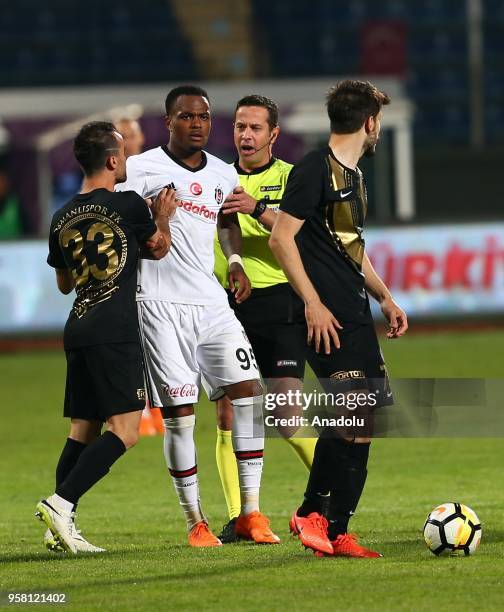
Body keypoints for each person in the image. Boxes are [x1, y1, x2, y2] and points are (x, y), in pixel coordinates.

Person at [116, 85, 279, 547]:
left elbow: (227, 217)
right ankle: (196, 522)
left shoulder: (224, 174)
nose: (197, 124)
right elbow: (119, 217)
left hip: (211, 302)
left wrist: (234, 261)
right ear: (168, 122)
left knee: (249, 393)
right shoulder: (143, 168)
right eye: (187, 117)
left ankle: (251, 513)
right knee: (180, 413)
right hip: (159, 304)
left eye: (204, 117)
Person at [269, 80, 408, 558]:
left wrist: (386, 298)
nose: (378, 130)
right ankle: (312, 513)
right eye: (379, 122)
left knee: (363, 421)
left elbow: (352, 248)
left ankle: (336, 528)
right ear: (369, 121)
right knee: (348, 411)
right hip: (322, 314)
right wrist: (311, 302)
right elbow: (281, 239)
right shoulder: (314, 169)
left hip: (353, 311)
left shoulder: (354, 177)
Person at [36, 121, 175, 554]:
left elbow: (63, 283)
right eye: (124, 155)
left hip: (77, 327)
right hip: (114, 329)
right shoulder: (131, 204)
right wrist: (162, 219)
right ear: (113, 160)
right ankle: (60, 503)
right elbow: (158, 249)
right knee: (126, 431)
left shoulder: (62, 216)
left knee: (83, 429)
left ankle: (59, 527)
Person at [212, 95, 316, 543]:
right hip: (227, 305)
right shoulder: (215, 177)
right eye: (239, 126)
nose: (246, 135)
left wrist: (255, 207)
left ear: (273, 134)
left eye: (255, 127)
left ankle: (326, 501)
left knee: (287, 414)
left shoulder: (292, 178)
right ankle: (241, 516)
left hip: (281, 304)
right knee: (228, 414)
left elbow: (305, 236)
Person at [116, 116, 164, 437]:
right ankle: (140, 410)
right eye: (122, 138)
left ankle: (157, 410)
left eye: (131, 135)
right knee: (136, 345)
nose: (128, 142)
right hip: (130, 276)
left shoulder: (155, 172)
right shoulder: (115, 184)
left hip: (157, 272)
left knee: (156, 344)